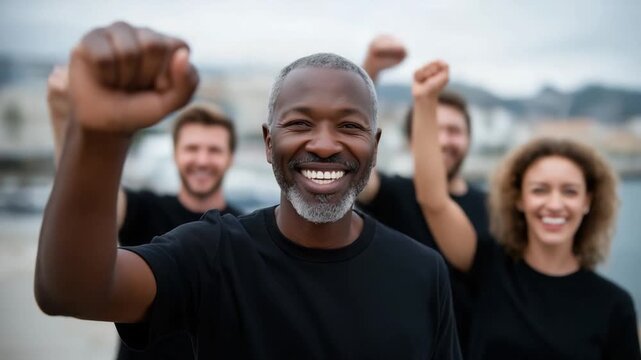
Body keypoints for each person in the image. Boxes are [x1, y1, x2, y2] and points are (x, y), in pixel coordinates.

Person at [34, 22, 462, 359]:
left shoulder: (424, 272)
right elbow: (72, 291)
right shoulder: (215, 254)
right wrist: (98, 139)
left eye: (350, 126)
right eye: (300, 124)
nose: (326, 144)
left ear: (375, 145)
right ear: (268, 141)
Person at [410, 59, 641, 359]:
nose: (554, 204)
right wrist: (425, 101)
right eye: (539, 190)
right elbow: (434, 200)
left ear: (588, 202)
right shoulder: (488, 266)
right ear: (518, 198)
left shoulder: (614, 305)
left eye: (569, 191)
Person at [46, 64, 242, 359]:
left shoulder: (244, 229)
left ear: (230, 157)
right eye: (192, 148)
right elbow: (87, 201)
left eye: (213, 150)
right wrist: (64, 120)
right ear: (175, 154)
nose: (202, 160)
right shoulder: (145, 209)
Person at [357, 35, 490, 349]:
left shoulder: (493, 206)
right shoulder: (392, 194)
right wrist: (370, 71)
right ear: (410, 140)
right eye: (433, 129)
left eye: (454, 130)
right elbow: (356, 163)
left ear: (470, 139)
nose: (443, 140)